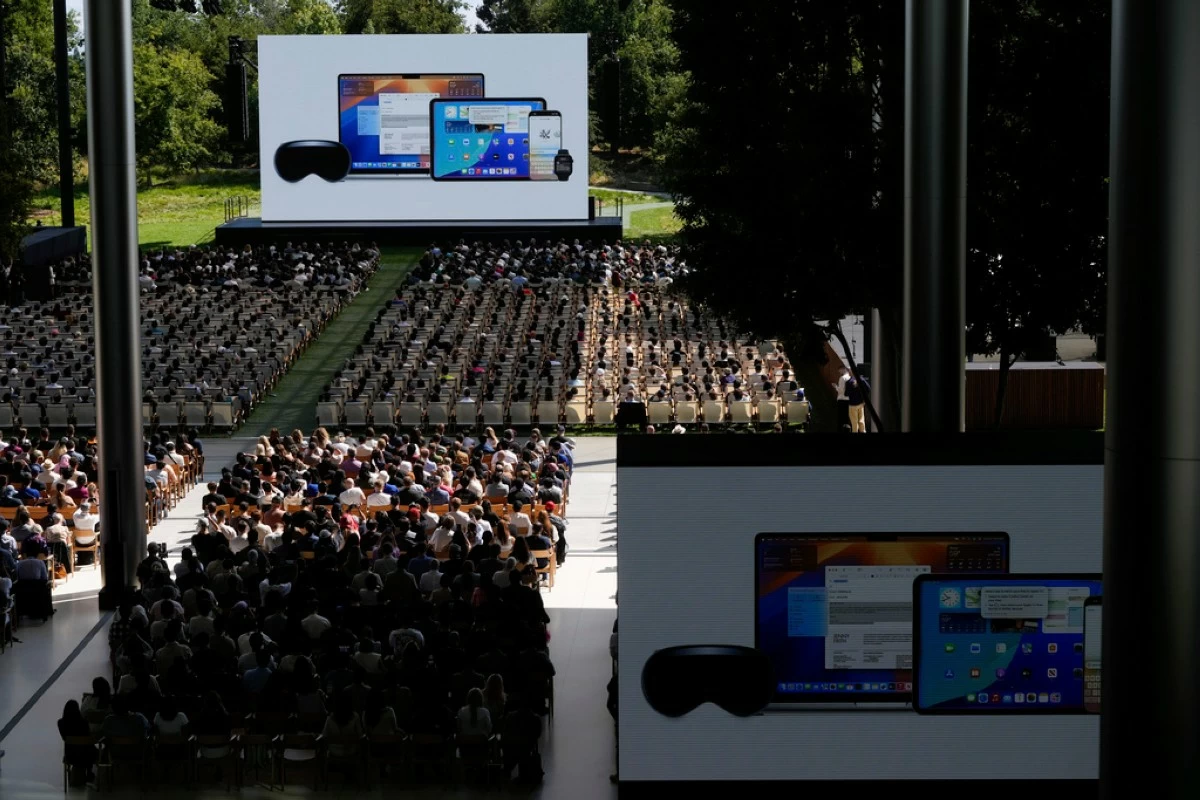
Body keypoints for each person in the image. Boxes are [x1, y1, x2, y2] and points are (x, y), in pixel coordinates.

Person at [58, 699, 97, 787]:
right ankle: (89, 772)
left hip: (70, 755)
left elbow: (64, 738)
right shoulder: (83, 723)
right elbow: (88, 737)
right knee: (89, 747)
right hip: (86, 755)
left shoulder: (61, 723)